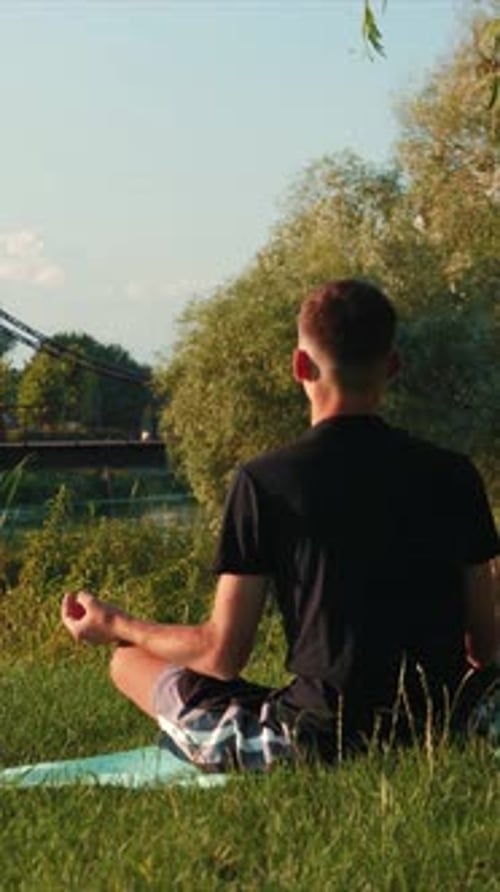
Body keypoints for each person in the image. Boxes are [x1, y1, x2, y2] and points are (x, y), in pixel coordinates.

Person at [61, 280, 499, 771]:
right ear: (393, 365)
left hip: (316, 738)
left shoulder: (264, 481)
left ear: (300, 366)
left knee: (128, 660)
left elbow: (222, 654)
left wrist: (115, 624)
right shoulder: (455, 473)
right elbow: (485, 648)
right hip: (449, 723)